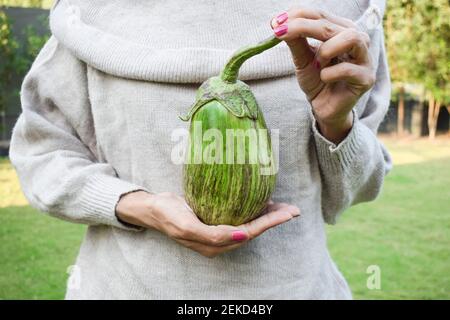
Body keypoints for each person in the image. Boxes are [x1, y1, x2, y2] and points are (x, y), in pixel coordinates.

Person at [10, 0, 392, 299]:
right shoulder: (88, 15)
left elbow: (355, 192)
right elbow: (41, 155)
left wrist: (338, 123)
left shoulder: (342, 25)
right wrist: (139, 206)